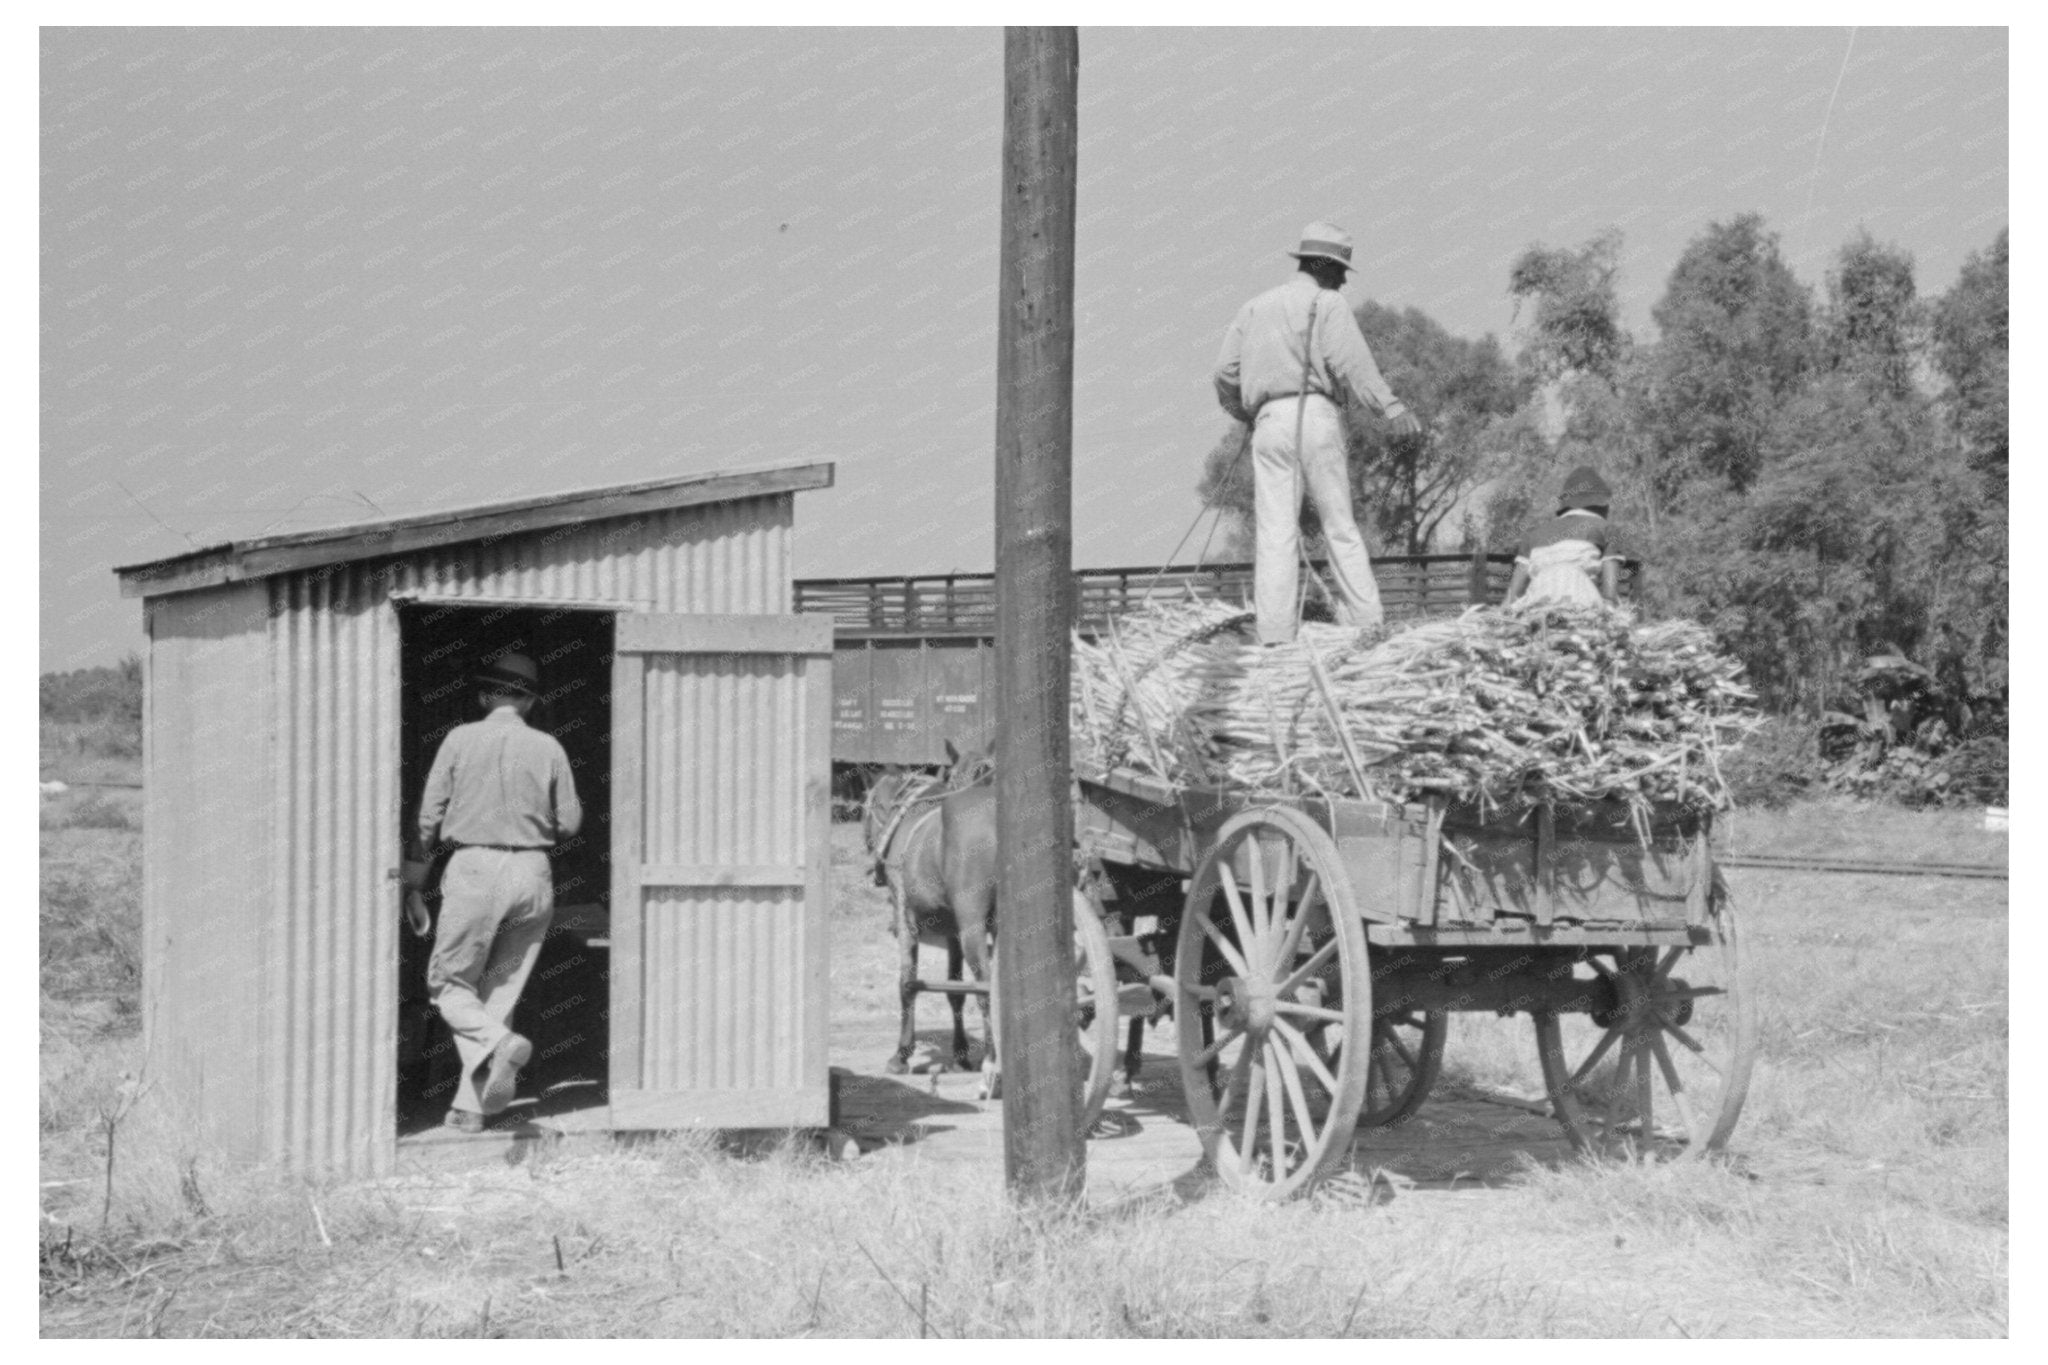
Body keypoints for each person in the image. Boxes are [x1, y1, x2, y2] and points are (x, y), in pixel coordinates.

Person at [1213, 220, 1424, 645]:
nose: (1345, 280)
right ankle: (1367, 622)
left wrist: (1246, 412)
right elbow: (1353, 364)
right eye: (1343, 270)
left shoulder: (1254, 307)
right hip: (1315, 416)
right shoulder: (1328, 303)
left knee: (1275, 531)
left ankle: (1274, 634)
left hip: (1269, 421)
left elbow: (1224, 372)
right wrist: (1392, 407)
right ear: (1326, 266)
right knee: (1339, 523)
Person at [407, 651, 583, 1133]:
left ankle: (500, 1047)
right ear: (529, 701)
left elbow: (427, 820)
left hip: (475, 869)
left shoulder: (459, 739)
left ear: (486, 695)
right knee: (498, 993)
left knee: (449, 985)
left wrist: (414, 882)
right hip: (533, 872)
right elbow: (570, 822)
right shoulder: (549, 746)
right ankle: (470, 1110)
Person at [1502, 465, 1624, 610]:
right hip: (1581, 603)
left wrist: (1503, 612)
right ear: (1603, 505)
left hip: (1537, 605)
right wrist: (1610, 607)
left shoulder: (1533, 534)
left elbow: (1513, 593)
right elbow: (1610, 592)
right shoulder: (1606, 528)